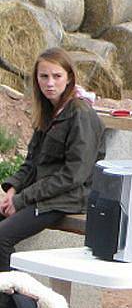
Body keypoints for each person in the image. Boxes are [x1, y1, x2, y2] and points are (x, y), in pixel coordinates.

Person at [0, 48, 105, 271]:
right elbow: (32, 163)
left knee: (2, 238)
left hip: (68, 197)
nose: (50, 83)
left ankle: (22, 301)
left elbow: (74, 175)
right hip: (43, 194)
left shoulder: (80, 113)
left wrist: (22, 199)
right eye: (43, 76)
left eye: (56, 76)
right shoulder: (48, 111)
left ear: (68, 78)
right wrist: (12, 189)